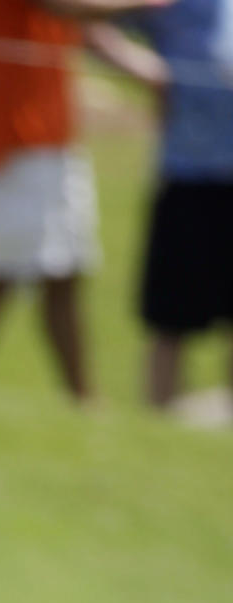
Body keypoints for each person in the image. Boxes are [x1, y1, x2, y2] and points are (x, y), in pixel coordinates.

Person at [0, 0, 170, 399]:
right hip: (15, 134)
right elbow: (66, 5)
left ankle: (81, 398)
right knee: (7, 268)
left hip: (44, 131)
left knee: (63, 269)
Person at [104, 0, 233, 408]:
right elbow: (83, 17)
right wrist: (145, 68)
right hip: (187, 172)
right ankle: (158, 423)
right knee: (170, 317)